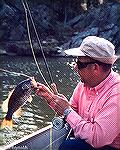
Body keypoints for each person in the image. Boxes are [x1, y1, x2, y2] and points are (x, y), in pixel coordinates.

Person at [35, 36, 120, 150]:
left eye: (80, 64)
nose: (75, 67)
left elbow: (97, 139)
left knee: (70, 147)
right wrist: (51, 99)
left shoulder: (116, 93)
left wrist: (67, 111)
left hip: (109, 146)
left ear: (95, 68)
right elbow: (72, 112)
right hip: (88, 141)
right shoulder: (84, 84)